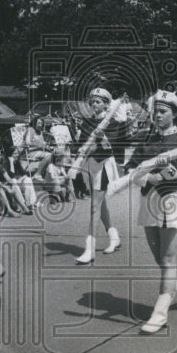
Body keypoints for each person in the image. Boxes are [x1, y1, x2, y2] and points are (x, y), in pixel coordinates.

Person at [125, 90, 177, 333]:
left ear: (174, 114)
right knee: (159, 258)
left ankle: (160, 313)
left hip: (171, 201)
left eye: (163, 111)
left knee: (167, 259)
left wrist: (162, 172)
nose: (157, 115)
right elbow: (131, 171)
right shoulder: (146, 140)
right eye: (155, 110)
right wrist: (147, 177)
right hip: (149, 201)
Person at [74, 88, 129, 264]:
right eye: (92, 102)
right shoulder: (87, 122)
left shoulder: (113, 123)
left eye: (98, 102)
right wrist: (82, 148)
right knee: (100, 204)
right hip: (90, 166)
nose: (94, 105)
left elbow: (111, 148)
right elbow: (80, 143)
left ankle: (89, 249)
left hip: (104, 166)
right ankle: (114, 236)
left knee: (94, 207)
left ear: (106, 104)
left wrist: (102, 138)